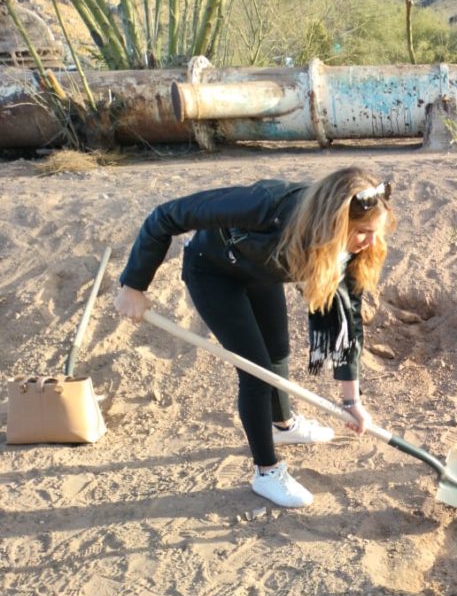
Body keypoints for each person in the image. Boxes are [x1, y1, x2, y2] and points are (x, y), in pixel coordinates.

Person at [114, 167, 396, 509]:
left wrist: (352, 402)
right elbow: (166, 216)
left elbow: (343, 322)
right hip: (213, 271)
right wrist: (133, 285)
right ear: (334, 221)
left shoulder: (350, 249)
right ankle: (267, 471)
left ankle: (283, 424)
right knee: (256, 373)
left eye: (374, 232)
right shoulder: (265, 205)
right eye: (363, 232)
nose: (370, 242)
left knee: (278, 352)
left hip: (260, 270)